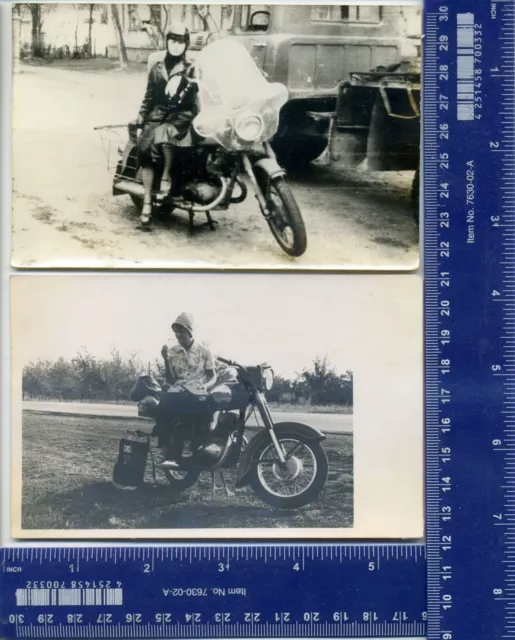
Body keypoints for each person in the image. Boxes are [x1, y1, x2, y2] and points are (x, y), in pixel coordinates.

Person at [132, 22, 198, 226]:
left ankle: (166, 179)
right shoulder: (157, 66)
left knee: (163, 135)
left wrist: (186, 81)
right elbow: (149, 96)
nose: (176, 46)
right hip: (158, 113)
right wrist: (141, 117)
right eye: (173, 41)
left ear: (186, 45)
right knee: (145, 147)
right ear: (167, 41)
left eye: (181, 42)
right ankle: (148, 202)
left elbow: (199, 92)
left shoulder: (191, 67)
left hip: (181, 115)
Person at [154, 312, 218, 468]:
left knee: (191, 416)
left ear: (190, 332)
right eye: (176, 332)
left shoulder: (204, 351)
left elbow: (213, 376)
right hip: (178, 391)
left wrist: (205, 386)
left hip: (198, 392)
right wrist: (166, 359)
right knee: (161, 406)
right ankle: (166, 448)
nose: (178, 335)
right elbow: (171, 379)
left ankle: (191, 450)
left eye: (181, 331)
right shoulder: (173, 351)